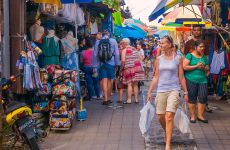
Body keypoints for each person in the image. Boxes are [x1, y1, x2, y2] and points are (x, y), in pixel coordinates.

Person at [147, 35, 188, 150]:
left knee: (169, 116)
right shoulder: (159, 59)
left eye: (163, 43)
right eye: (160, 43)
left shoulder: (178, 58)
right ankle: (167, 130)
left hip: (174, 90)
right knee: (160, 116)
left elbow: (181, 77)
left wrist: (185, 92)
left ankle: (168, 144)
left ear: (170, 44)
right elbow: (155, 77)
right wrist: (150, 91)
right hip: (161, 90)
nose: (161, 45)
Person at [184, 26, 212, 113]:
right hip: (191, 71)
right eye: (195, 30)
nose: (196, 32)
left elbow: (206, 56)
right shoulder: (188, 43)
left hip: (202, 70)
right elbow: (186, 57)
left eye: (198, 30)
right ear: (192, 31)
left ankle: (204, 106)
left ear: (201, 31)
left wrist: (206, 68)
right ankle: (192, 109)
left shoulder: (205, 43)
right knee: (192, 93)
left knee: (203, 93)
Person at [183, 39, 209, 123]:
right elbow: (185, 67)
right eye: (200, 47)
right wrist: (196, 66)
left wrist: (205, 68)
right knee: (192, 98)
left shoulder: (204, 57)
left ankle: (200, 116)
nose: (202, 48)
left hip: (203, 80)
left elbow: (208, 70)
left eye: (203, 47)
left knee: (203, 97)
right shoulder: (189, 55)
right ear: (195, 47)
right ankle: (193, 116)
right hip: (191, 79)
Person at [92, 30, 120, 105]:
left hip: (101, 64)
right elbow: (116, 53)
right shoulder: (113, 41)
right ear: (109, 34)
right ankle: (108, 97)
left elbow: (95, 55)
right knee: (110, 80)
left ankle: (105, 98)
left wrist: (95, 66)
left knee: (104, 80)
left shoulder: (98, 42)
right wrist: (117, 64)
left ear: (102, 34)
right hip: (111, 63)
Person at [121, 38, 145, 104]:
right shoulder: (134, 49)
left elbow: (123, 61)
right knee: (136, 84)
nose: (121, 45)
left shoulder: (124, 50)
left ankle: (129, 100)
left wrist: (121, 68)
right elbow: (140, 58)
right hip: (137, 68)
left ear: (124, 43)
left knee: (129, 84)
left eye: (122, 43)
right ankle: (136, 100)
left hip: (129, 68)